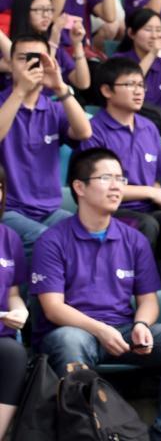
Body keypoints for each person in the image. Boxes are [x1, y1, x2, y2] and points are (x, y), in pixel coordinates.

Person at [30, 147, 161, 441]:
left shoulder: (134, 239)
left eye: (121, 179)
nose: (117, 186)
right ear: (79, 187)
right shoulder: (53, 240)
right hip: (77, 331)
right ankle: (85, 434)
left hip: (122, 331)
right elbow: (53, 308)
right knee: (68, 340)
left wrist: (141, 324)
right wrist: (99, 330)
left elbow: (148, 300)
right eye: (106, 178)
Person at [0, 35, 92, 258]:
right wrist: (20, 91)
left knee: (86, 234)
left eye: (38, 58)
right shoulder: (3, 103)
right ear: (10, 64)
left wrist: (60, 87)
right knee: (44, 239)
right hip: (7, 209)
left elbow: (84, 132)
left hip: (49, 210)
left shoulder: (54, 109)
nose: (31, 64)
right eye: (23, 58)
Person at [80, 58, 161, 263]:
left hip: (149, 209)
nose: (139, 91)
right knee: (147, 225)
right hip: (110, 211)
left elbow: (156, 179)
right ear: (107, 90)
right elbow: (97, 188)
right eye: (130, 84)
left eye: (141, 85)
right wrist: (151, 192)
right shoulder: (95, 131)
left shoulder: (149, 128)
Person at [6, 0, 90, 93]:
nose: (46, 15)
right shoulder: (11, 47)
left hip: (56, 102)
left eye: (49, 9)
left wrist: (77, 44)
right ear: (23, 11)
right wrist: (54, 39)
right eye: (39, 10)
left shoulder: (56, 47)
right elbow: (38, 80)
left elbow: (83, 83)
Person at [112, 9, 161, 109]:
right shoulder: (118, 60)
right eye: (148, 29)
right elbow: (130, 83)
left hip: (158, 117)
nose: (154, 36)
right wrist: (153, 53)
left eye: (158, 30)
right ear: (131, 33)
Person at [0, 164, 28, 440]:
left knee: (14, 353)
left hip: (1, 335)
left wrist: (19, 310)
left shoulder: (9, 237)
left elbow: (12, 293)